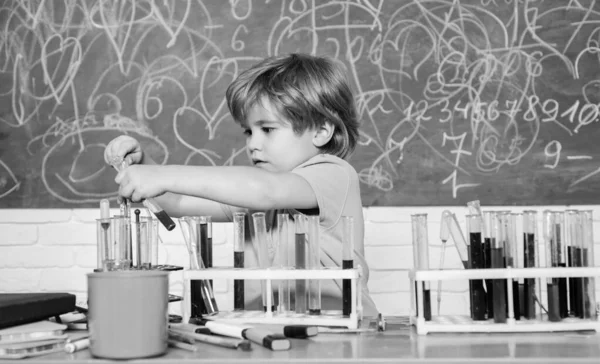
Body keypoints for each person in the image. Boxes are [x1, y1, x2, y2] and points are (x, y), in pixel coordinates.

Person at [104, 53, 378, 316]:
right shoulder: (250, 194)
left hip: (338, 334)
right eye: (248, 131)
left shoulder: (333, 174)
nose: (253, 144)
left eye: (267, 129)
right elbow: (175, 203)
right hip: (272, 331)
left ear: (320, 131)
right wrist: (144, 166)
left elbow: (266, 191)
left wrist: (162, 175)